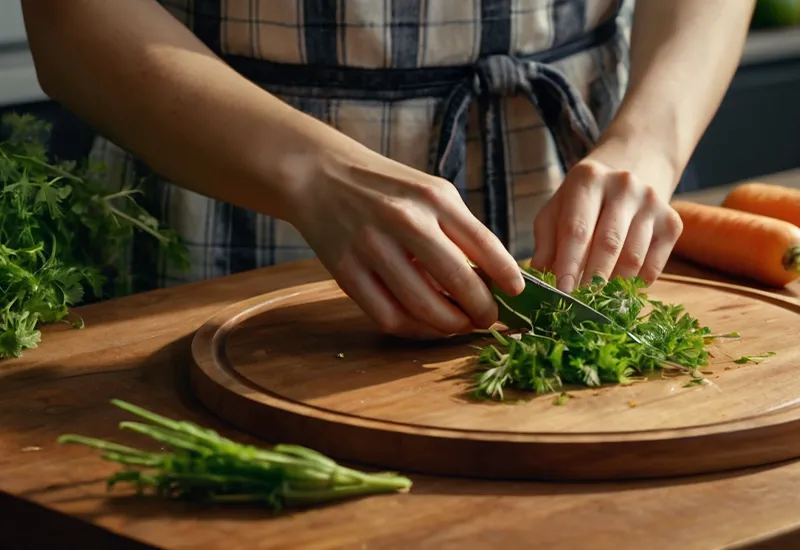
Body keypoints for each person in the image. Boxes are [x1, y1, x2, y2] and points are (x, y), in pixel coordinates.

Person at [21, 0, 755, 339]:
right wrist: (311, 173)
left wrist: (648, 143)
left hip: (566, 175)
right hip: (219, 226)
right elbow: (69, 20)